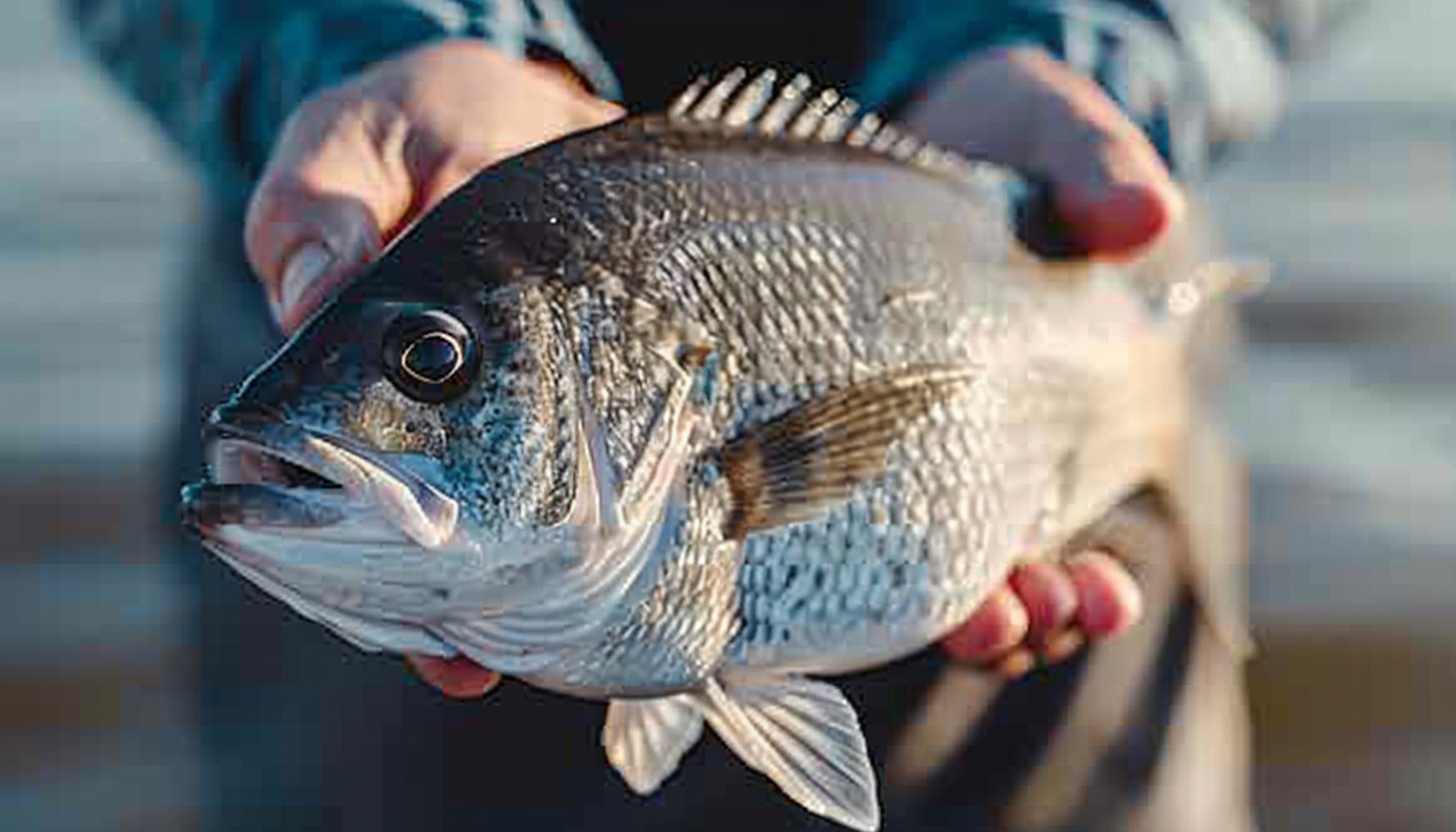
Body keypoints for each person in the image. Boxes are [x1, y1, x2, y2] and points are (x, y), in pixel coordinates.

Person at [60, 1, 1333, 829]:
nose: (416, 391)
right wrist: (364, 33)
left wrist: (1077, 35)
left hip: (1028, 275)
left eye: (435, 367)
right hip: (388, 210)